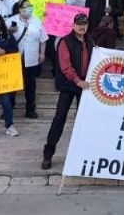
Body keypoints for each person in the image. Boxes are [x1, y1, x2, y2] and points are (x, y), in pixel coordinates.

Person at [43, 13, 94, 169]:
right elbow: (65, 66)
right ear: (73, 25)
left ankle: (81, 154)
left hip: (84, 85)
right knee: (59, 118)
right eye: (79, 24)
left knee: (83, 120)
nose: (82, 26)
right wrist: (77, 80)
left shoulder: (90, 41)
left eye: (84, 23)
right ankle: (48, 153)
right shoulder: (65, 41)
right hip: (69, 85)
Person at [8, 0, 47, 118]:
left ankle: (30, 109)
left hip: (32, 57)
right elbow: (2, 36)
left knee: (31, 84)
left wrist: (42, 54)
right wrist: (10, 30)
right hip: (15, 58)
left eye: (31, 6)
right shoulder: (11, 20)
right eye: (27, 7)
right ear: (20, 9)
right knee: (13, 84)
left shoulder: (36, 20)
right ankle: (9, 109)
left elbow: (43, 38)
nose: (29, 8)